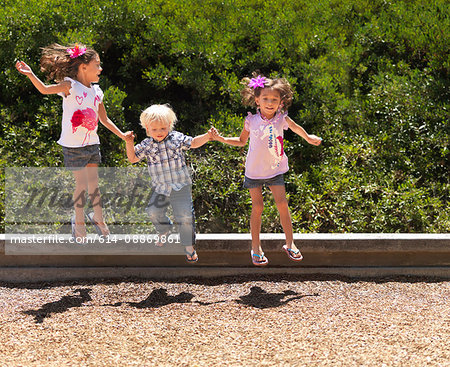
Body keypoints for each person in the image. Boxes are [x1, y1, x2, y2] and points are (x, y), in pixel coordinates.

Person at [15, 43, 130, 240]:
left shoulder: (97, 92)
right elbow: (44, 89)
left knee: (94, 184)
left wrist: (123, 136)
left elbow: (104, 120)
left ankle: (98, 217)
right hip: (73, 147)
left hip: (92, 144)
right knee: (82, 186)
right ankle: (78, 222)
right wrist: (30, 74)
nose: (101, 69)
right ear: (83, 67)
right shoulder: (70, 86)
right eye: (97, 65)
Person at [210, 74, 322, 266]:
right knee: (258, 207)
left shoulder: (281, 118)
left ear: (281, 102)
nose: (270, 103)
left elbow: (296, 128)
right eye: (266, 99)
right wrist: (220, 138)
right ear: (257, 100)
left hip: (275, 170)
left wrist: (308, 137)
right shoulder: (251, 121)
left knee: (282, 204)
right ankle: (256, 248)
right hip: (254, 171)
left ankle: (290, 243)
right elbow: (241, 141)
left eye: (274, 100)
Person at [124, 104, 213, 263]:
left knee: (185, 216)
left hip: (180, 186)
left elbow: (193, 143)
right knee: (153, 211)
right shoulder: (147, 145)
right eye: (154, 129)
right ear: (147, 129)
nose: (159, 132)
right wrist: (129, 142)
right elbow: (133, 158)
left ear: (170, 126)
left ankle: (189, 246)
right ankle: (164, 229)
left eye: (163, 128)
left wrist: (207, 136)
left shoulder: (176, 139)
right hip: (161, 188)